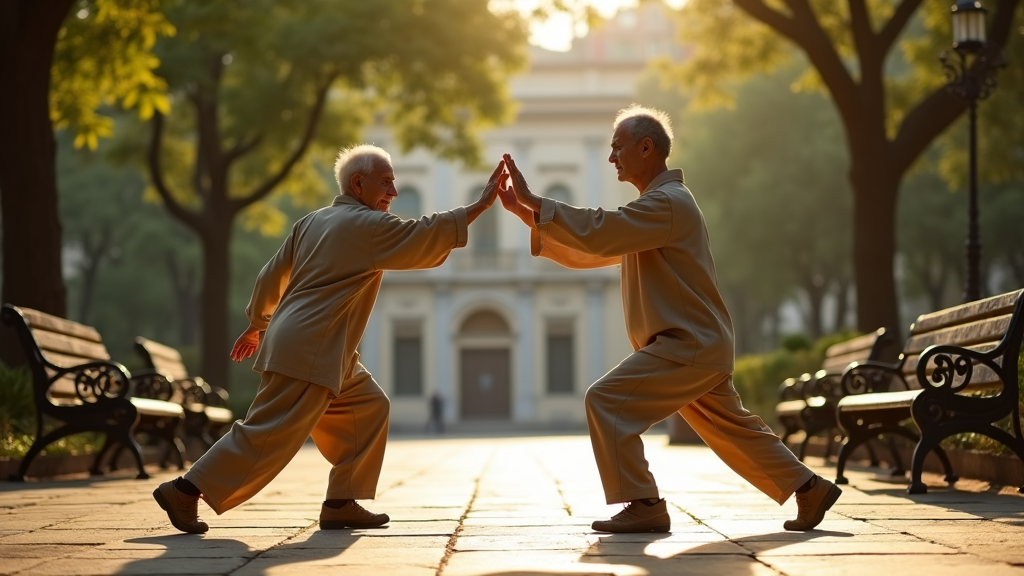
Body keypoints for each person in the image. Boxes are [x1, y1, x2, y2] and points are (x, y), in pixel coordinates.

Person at [495, 105, 841, 534]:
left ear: (646, 148)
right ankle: (810, 489)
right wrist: (527, 214)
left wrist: (536, 202)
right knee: (735, 431)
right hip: (696, 344)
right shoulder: (656, 206)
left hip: (688, 345)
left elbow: (602, 230)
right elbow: (598, 247)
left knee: (606, 401)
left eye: (618, 148)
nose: (611, 158)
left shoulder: (667, 204)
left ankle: (644, 503)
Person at [153, 144, 507, 534]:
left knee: (368, 407)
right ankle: (185, 490)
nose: (393, 192)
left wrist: (257, 322)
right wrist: (479, 206)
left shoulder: (312, 221)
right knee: (268, 432)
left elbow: (271, 274)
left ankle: (341, 502)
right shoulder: (368, 226)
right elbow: (422, 234)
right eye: (386, 182)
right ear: (358, 183)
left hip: (319, 346)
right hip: (313, 346)